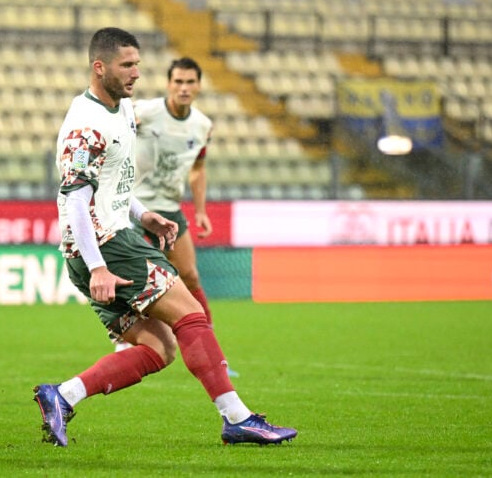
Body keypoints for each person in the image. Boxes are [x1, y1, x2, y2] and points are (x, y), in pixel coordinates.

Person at [33, 27, 296, 447]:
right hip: (105, 246)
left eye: (138, 63)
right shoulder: (86, 126)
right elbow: (76, 202)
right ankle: (237, 418)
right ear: (99, 68)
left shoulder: (121, 109)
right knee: (191, 313)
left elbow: (112, 181)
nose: (137, 72)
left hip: (109, 240)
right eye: (127, 65)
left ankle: (62, 396)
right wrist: (99, 266)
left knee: (160, 347)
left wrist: (143, 213)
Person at [124, 57, 240, 376]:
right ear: (168, 84)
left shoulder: (202, 126)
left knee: (189, 276)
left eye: (190, 82)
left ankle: (213, 352)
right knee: (128, 277)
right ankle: (124, 336)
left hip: (170, 209)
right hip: (133, 208)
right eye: (178, 82)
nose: (184, 88)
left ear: (199, 86)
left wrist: (200, 210)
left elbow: (198, 169)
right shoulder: (145, 112)